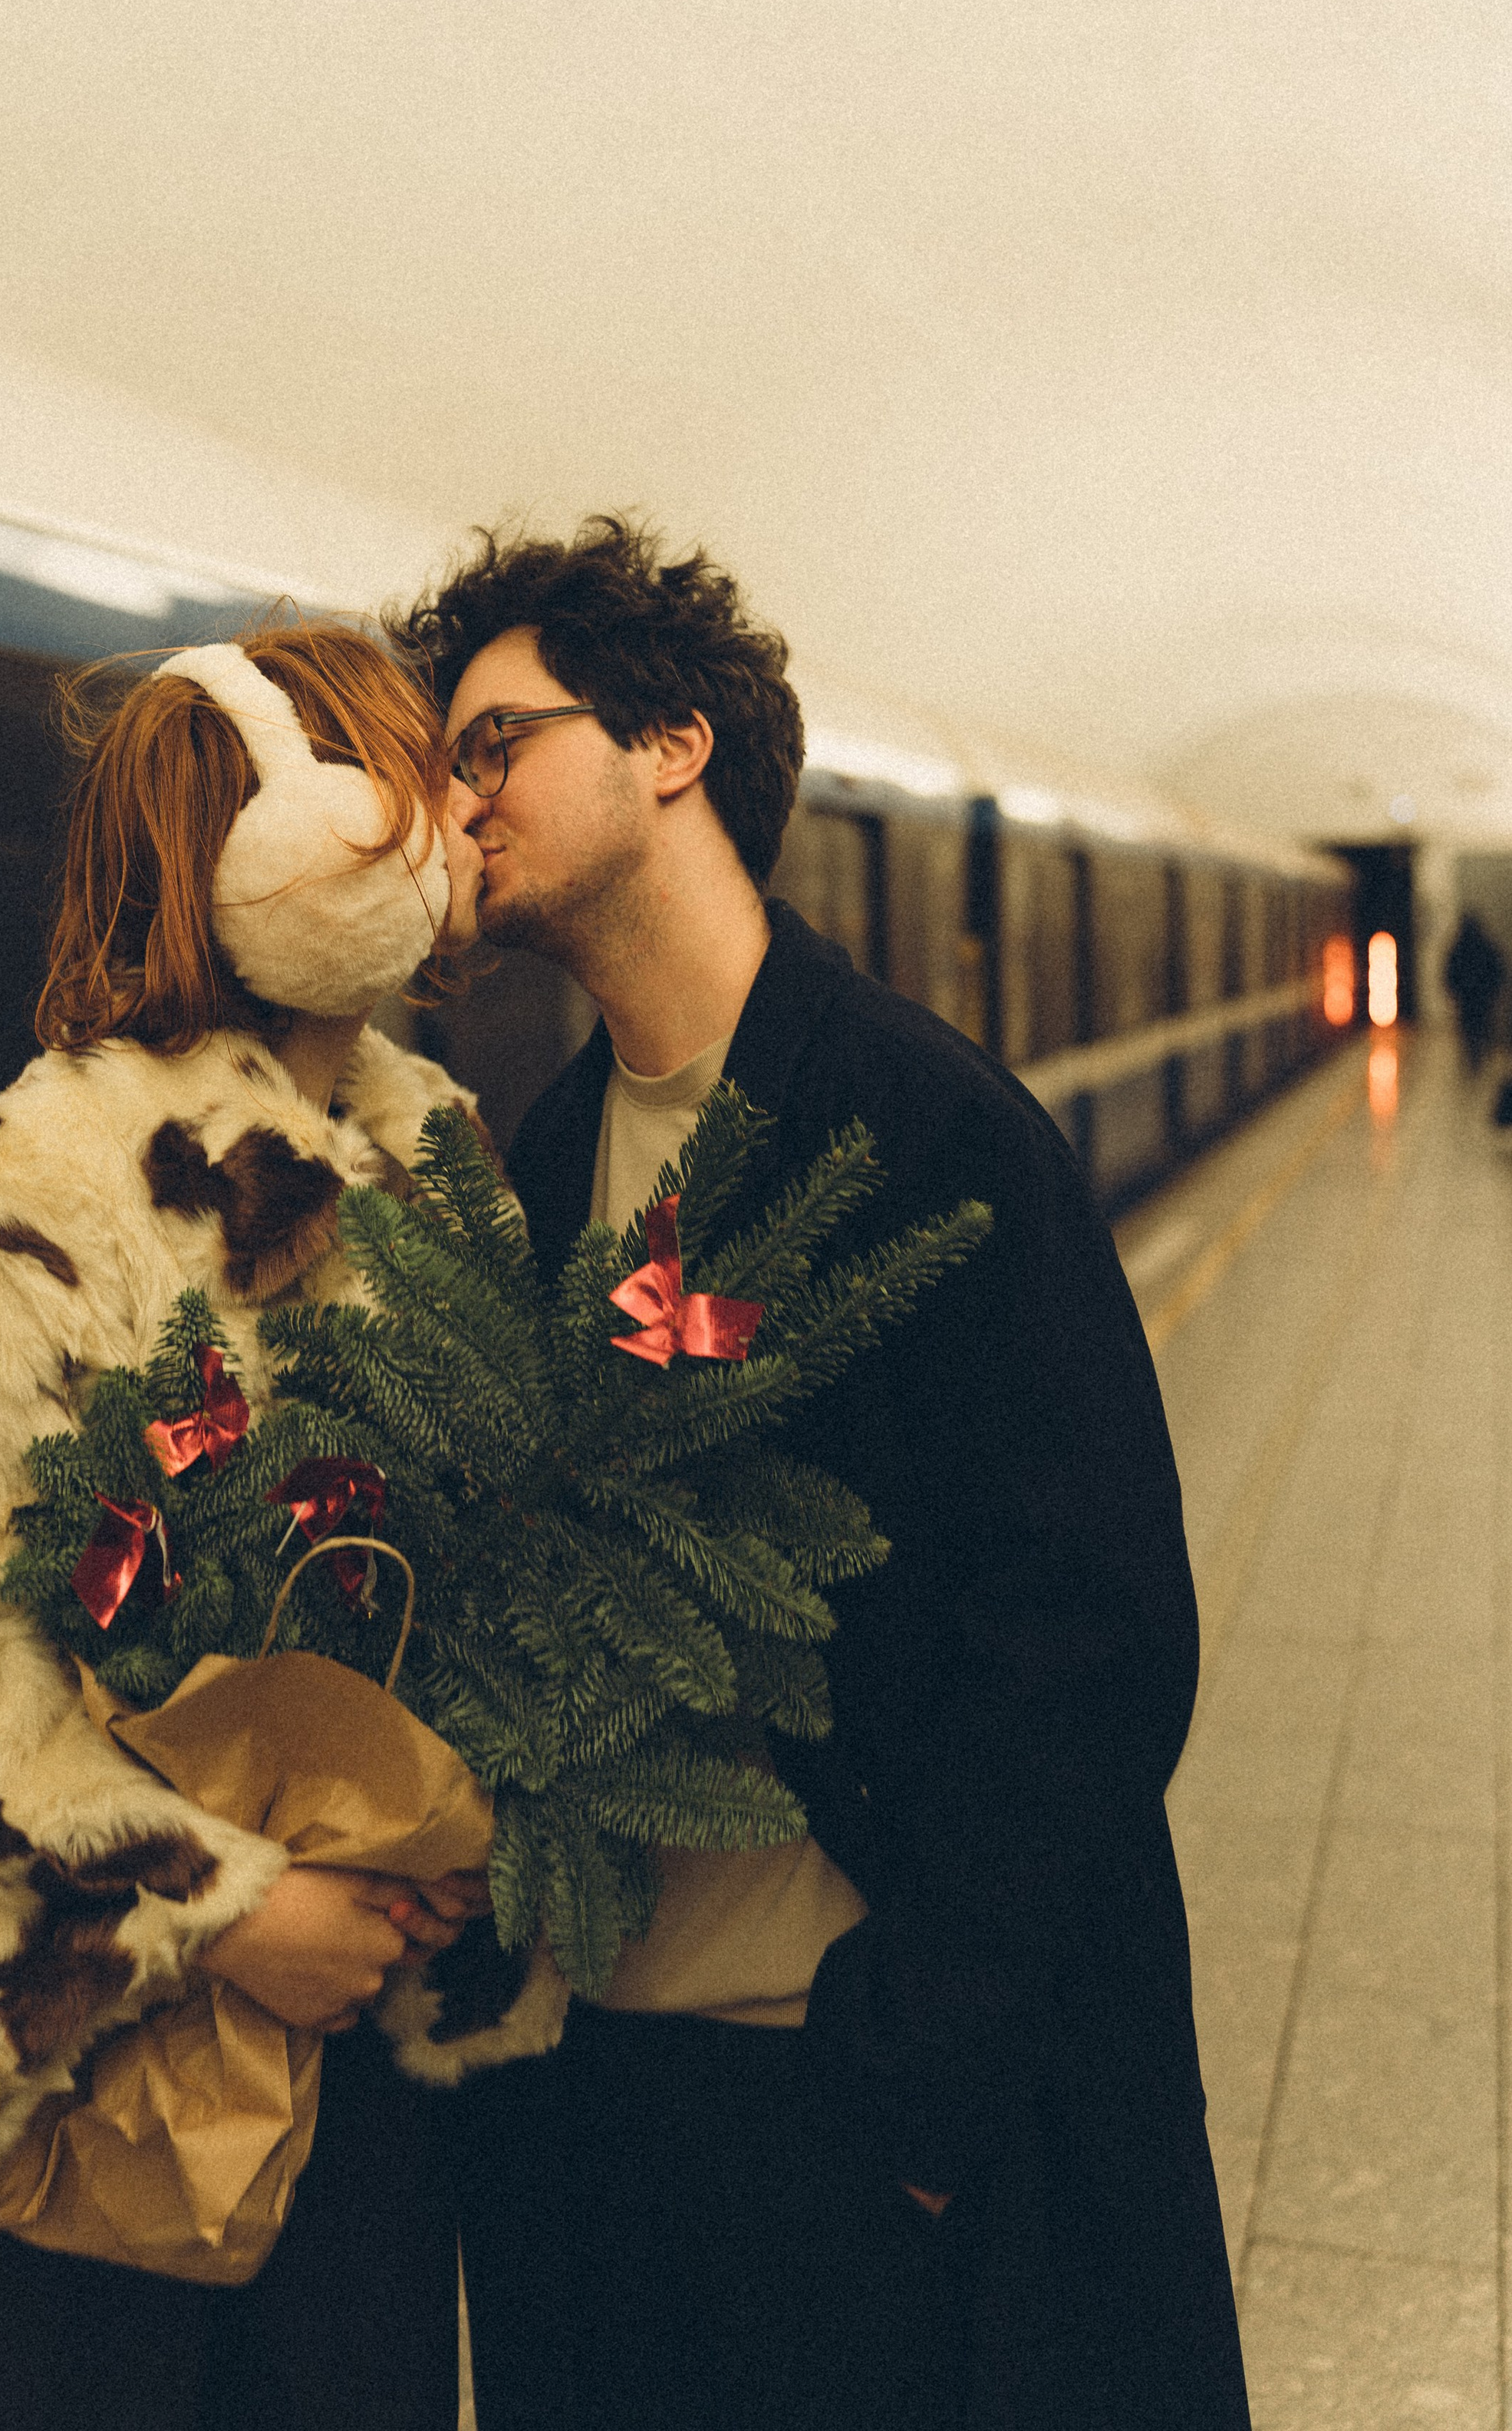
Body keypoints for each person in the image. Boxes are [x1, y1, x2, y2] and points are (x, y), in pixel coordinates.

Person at [394, 521, 1250, 2431]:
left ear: (669, 744)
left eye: (493, 743)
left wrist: (914, 2073)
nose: (457, 805)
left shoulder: (928, 1127)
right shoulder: (545, 1153)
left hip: (840, 2097)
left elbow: (1092, 1630)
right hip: (599, 2102)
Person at [0, 626, 489, 2431]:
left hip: (348, 2071)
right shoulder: (48, 1196)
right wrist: (228, 1907)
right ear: (282, 846)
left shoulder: (423, 1151)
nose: (445, 823)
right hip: (79, 2107)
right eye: (400, 779)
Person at [1442, 909, 1506, 1071]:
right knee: (1479, 1030)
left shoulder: (1460, 948)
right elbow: (1498, 969)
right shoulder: (1485, 946)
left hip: (1469, 999)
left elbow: (1450, 972)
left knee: (1471, 1032)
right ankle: (1478, 1060)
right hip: (1480, 998)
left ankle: (1474, 1060)